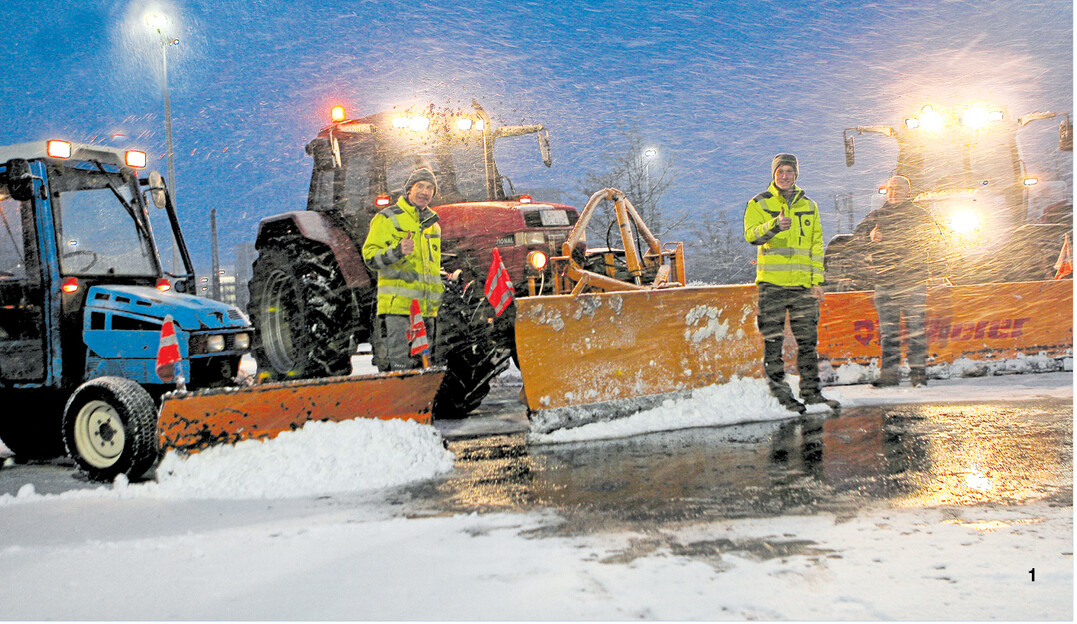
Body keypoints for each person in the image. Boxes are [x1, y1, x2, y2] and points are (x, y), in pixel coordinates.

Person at [744, 153, 838, 413]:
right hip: (772, 285)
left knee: (808, 342)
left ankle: (811, 393)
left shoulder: (809, 205)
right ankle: (781, 396)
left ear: (796, 174)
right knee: (773, 342)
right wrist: (774, 225)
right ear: (774, 175)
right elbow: (751, 236)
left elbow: (816, 247)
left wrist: (817, 281)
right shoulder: (758, 203)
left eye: (789, 171)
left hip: (802, 287)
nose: (785, 176)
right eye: (780, 172)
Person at [853, 175, 944, 387]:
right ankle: (889, 375)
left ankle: (918, 375)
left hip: (913, 283)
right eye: (891, 188)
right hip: (885, 283)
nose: (894, 192)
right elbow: (856, 239)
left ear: (908, 192)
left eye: (899, 188)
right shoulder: (877, 216)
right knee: (888, 333)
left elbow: (937, 243)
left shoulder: (920, 216)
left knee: (915, 330)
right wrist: (869, 237)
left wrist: (939, 273)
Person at [362, 167, 443, 371]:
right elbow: (370, 258)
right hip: (399, 310)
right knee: (399, 369)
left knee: (422, 370)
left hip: (426, 311)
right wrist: (397, 251)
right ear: (409, 190)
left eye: (430, 188)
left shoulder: (433, 225)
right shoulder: (388, 218)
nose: (425, 192)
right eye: (421, 186)